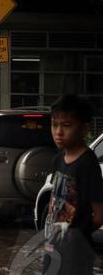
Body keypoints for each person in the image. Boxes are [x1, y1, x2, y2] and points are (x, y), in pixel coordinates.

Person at [43, 95, 103, 274]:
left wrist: (76, 234)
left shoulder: (87, 164)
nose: (58, 132)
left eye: (66, 125)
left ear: (84, 128)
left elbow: (100, 215)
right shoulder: (59, 159)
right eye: (54, 125)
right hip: (53, 245)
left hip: (75, 253)